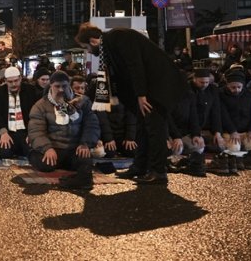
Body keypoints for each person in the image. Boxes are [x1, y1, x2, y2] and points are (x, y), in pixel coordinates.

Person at [75, 23, 188, 185]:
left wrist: (141, 94)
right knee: (143, 128)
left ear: (93, 41)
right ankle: (140, 166)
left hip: (156, 88)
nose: (88, 51)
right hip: (149, 89)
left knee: (155, 129)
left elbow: (135, 64)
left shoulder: (118, 36)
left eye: (86, 47)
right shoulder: (110, 44)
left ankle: (159, 171)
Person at [27, 71, 100, 189]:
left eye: (64, 86)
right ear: (51, 85)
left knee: (85, 160)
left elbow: (92, 125)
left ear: (68, 86)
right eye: (57, 86)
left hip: (75, 147)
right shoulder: (40, 105)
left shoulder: (83, 102)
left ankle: (79, 180)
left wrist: (85, 143)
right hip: (53, 147)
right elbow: (36, 130)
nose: (61, 89)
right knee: (44, 164)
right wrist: (47, 148)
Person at [0, 66, 38, 160]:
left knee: (33, 151)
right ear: (5, 81)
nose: (14, 84)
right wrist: (3, 133)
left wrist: (32, 133)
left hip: (26, 132)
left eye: (16, 81)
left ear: (20, 78)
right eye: (10, 82)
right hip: (7, 132)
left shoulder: (30, 91)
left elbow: (35, 114)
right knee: (3, 151)